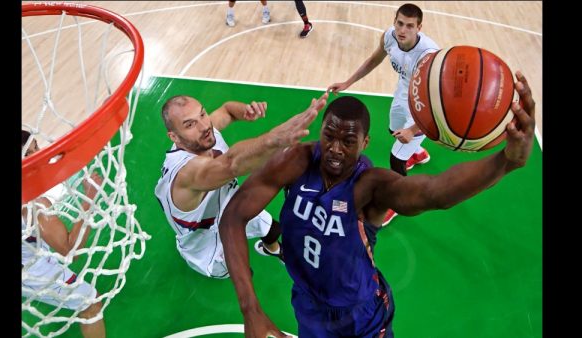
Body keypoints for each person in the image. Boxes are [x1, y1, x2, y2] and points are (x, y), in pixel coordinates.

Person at [219, 71, 535, 338]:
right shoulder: (296, 162)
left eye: (348, 141)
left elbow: (432, 192)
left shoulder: (369, 186)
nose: (335, 149)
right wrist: (250, 308)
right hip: (307, 302)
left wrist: (504, 162)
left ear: (365, 142)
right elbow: (233, 216)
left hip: (361, 315)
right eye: (329, 136)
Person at [154, 92, 329, 278]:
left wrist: (245, 111)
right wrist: (273, 139)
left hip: (231, 208)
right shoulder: (188, 174)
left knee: (274, 229)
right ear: (174, 136)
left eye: (203, 114)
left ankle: (273, 249)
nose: (205, 126)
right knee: (243, 272)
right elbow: (231, 164)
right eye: (190, 124)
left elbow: (227, 109)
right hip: (210, 246)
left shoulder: (202, 136)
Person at [327, 3, 440, 226]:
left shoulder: (429, 56)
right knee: (393, 131)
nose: (402, 30)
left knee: (396, 159)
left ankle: (397, 201)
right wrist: (348, 82)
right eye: (399, 23)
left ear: (419, 27)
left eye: (410, 26)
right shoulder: (389, 36)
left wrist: (414, 129)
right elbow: (374, 60)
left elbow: (436, 103)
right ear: (394, 21)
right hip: (403, 93)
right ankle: (417, 153)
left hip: (424, 105)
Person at [21, 130, 106, 338]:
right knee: (90, 303)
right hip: (27, 268)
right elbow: (71, 251)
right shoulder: (34, 205)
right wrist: (90, 198)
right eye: (28, 154)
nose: (38, 157)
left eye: (36, 149)